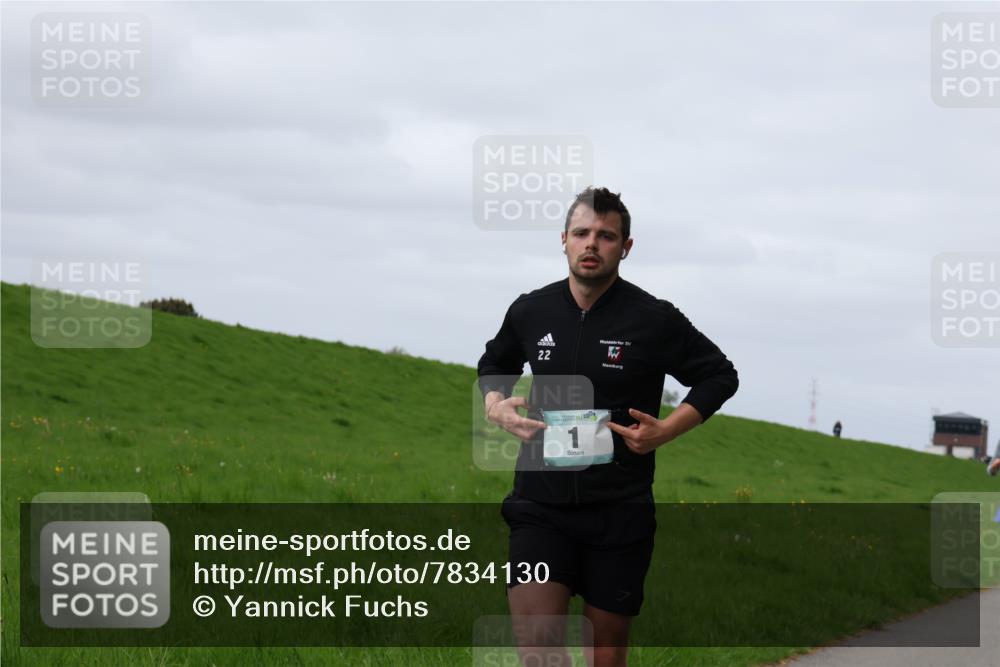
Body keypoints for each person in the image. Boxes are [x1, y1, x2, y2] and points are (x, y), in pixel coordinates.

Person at [477, 186, 739, 666]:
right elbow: (495, 363)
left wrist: (667, 429)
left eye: (606, 235)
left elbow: (719, 375)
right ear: (564, 240)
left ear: (626, 246)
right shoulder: (531, 310)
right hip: (540, 505)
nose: (592, 244)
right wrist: (495, 405)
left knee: (606, 656)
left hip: (620, 512)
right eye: (581, 233)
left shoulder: (653, 319)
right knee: (537, 650)